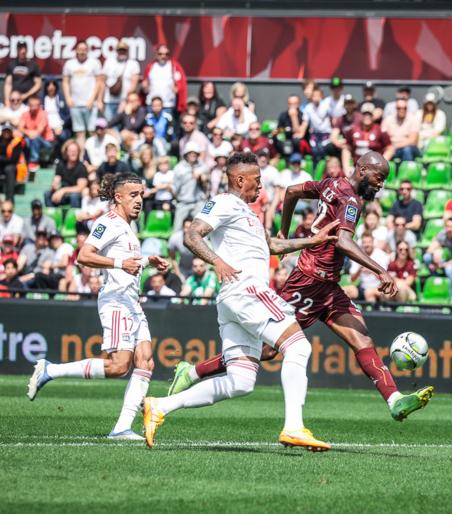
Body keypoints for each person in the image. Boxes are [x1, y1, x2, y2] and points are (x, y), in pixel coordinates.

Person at [170, 152, 434, 426]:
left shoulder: (331, 184)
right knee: (270, 350)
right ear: (363, 169)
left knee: (363, 340)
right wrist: (380, 269)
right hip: (307, 282)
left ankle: (394, 399)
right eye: (378, 178)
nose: (380, 186)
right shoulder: (350, 199)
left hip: (329, 286)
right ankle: (192, 372)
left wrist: (283, 230)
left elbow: (292, 191)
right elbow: (343, 242)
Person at [141, 152, 342, 450]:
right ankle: (294, 427)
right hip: (247, 290)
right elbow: (192, 234)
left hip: (234, 300)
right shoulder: (224, 202)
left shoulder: (248, 213)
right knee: (298, 345)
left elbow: (270, 244)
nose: (261, 186)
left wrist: (310, 242)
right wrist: (217, 260)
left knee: (241, 382)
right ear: (239, 180)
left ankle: (160, 406)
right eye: (256, 180)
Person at [28, 172, 169, 440]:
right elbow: (84, 255)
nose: (139, 200)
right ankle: (50, 370)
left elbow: (127, 262)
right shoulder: (108, 222)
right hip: (116, 301)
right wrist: (118, 264)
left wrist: (149, 261)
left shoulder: (128, 226)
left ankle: (121, 428)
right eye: (133, 195)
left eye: (141, 194)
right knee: (118, 366)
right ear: (118, 197)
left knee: (146, 361)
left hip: (131, 301)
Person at [62, 42, 104, 149]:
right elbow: (65, 81)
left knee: (92, 131)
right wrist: (67, 97)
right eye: (80, 49)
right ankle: (80, 158)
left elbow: (99, 82)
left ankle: (93, 157)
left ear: (88, 51)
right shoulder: (69, 64)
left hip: (90, 104)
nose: (82, 52)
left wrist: (93, 99)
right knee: (80, 133)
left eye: (84, 49)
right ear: (76, 50)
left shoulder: (94, 63)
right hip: (75, 104)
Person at [341, 102, 393, 170]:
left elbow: (390, 148)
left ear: (373, 116)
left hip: (374, 170)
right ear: (361, 115)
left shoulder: (380, 130)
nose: (367, 116)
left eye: (370, 114)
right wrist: (346, 167)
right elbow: (346, 148)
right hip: (357, 168)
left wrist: (381, 163)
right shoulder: (353, 130)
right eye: (365, 114)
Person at [141, 44, 187, 118]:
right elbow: (145, 86)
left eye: (166, 54)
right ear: (156, 54)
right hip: (151, 105)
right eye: (160, 54)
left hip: (168, 105)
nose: (163, 56)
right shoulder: (150, 67)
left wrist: (177, 89)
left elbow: (181, 84)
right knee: (150, 129)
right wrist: (144, 87)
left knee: (168, 129)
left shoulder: (174, 66)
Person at [343, 232, 390, 302]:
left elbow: (385, 278)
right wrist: (360, 270)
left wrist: (372, 271)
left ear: (373, 242)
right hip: (362, 287)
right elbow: (352, 279)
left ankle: (373, 312)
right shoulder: (358, 255)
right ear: (361, 243)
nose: (367, 245)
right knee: (343, 291)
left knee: (368, 292)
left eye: (369, 242)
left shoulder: (381, 255)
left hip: (378, 287)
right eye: (364, 242)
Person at [172, 142, 209, 231]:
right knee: (177, 229)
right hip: (183, 202)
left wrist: (202, 178)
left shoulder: (203, 166)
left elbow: (207, 184)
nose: (192, 155)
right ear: (186, 154)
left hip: (198, 202)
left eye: (195, 153)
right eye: (190, 152)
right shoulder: (179, 168)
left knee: (202, 228)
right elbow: (174, 187)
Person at [101, 41, 140, 121]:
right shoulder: (109, 62)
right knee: (109, 125)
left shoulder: (133, 63)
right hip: (109, 101)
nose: (122, 52)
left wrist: (125, 100)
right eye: (120, 50)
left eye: (124, 50)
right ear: (116, 51)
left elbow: (134, 85)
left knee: (122, 127)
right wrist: (100, 101)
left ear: (128, 51)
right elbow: (102, 82)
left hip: (125, 102)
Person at [0, 122, 24, 201]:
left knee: (9, 169)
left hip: (12, 167)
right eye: (5, 131)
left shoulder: (16, 141)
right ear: (2, 131)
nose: (6, 133)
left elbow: (13, 160)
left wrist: (1, 159)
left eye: (8, 131)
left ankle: (10, 199)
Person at [45, 141, 87, 208]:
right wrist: (54, 186)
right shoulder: (61, 165)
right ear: (66, 152)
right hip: (63, 195)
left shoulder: (82, 167)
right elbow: (56, 179)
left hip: (75, 195)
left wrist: (63, 190)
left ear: (78, 152)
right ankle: (52, 215)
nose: (73, 153)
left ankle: (74, 217)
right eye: (71, 151)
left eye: (75, 151)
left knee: (75, 196)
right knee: (47, 194)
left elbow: (80, 188)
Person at [18, 95, 54, 172]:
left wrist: (27, 132)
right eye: (32, 105)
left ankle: (33, 162)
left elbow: (39, 131)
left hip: (46, 142)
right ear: (29, 105)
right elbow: (20, 128)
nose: (34, 108)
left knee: (35, 138)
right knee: (20, 140)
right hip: (30, 139)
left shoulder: (43, 114)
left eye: (36, 105)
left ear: (39, 105)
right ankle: (21, 162)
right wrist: (28, 132)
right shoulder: (25, 114)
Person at [4, 41, 42, 105]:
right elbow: (8, 84)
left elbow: (38, 84)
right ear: (17, 50)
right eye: (20, 48)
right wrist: (7, 100)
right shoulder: (11, 65)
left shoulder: (33, 65)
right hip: (14, 101)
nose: (22, 51)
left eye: (24, 48)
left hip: (29, 102)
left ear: (27, 50)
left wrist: (25, 95)